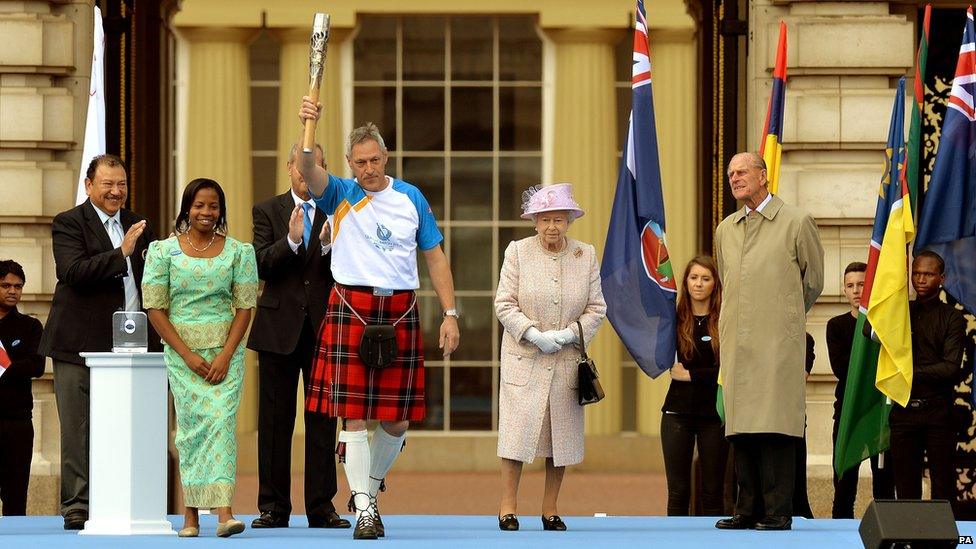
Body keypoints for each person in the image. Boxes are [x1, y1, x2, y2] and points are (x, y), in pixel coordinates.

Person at [297, 98, 461, 540]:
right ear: (349, 163)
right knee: (353, 414)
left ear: (385, 157)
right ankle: (365, 510)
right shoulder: (341, 195)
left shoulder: (411, 198)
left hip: (401, 309)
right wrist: (309, 125)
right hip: (352, 305)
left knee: (397, 419)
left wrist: (450, 313)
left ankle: (368, 489)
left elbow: (435, 257)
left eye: (374, 160)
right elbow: (308, 168)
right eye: (359, 162)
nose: (368, 168)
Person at [38, 154, 157, 530]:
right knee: (78, 428)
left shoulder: (138, 224)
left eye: (121, 184)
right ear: (89, 185)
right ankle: (77, 504)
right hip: (78, 343)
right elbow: (72, 272)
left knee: (124, 426)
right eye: (107, 184)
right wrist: (120, 254)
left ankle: (117, 499)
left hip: (130, 344)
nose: (115, 192)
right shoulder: (69, 222)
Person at [714, 152, 824, 531]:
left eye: (742, 171)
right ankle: (746, 509)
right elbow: (727, 281)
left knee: (776, 425)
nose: (734, 178)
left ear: (763, 175)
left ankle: (778, 511)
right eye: (730, 173)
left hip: (777, 341)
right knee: (742, 426)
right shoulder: (726, 228)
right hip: (737, 344)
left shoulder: (797, 221)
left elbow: (813, 283)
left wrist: (785, 316)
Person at [143, 178, 257, 538]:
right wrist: (188, 355)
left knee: (221, 425)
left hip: (226, 355)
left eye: (213, 206)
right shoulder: (163, 252)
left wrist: (226, 354)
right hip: (182, 356)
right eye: (199, 206)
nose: (207, 213)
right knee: (191, 433)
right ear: (187, 209)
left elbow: (244, 307)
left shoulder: (239, 252)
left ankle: (225, 513)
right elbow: (155, 308)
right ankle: (190, 517)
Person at [247, 143, 349, 530]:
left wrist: (325, 246)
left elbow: (348, 267)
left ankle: (321, 506)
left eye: (316, 167)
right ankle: (273, 507)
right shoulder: (266, 210)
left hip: (324, 329)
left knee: (323, 420)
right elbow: (260, 264)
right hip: (278, 332)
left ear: (323, 170)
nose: (307, 175)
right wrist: (290, 242)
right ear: (290, 168)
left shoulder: (337, 210)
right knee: (274, 422)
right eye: (301, 168)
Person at [494, 184, 606, 532]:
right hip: (524, 357)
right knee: (516, 436)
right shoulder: (517, 252)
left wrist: (571, 333)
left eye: (559, 219)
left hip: (565, 358)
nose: (552, 227)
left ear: (570, 220)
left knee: (560, 437)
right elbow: (503, 303)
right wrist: (533, 334)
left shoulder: (585, 254)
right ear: (535, 221)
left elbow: (597, 308)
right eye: (545, 220)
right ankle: (508, 507)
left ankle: (550, 509)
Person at [889, 250, 965, 505]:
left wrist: (908, 372)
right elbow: (869, 329)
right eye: (916, 273)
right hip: (903, 412)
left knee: (943, 486)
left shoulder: (952, 318)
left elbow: (950, 368)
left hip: (938, 413)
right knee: (905, 487)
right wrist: (890, 296)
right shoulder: (901, 311)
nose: (921, 279)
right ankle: (909, 540)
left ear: (941, 278)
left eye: (928, 274)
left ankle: (942, 543)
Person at [826, 261, 894, 518]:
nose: (856, 290)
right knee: (844, 486)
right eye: (850, 286)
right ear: (844, 290)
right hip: (848, 413)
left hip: (880, 414)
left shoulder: (885, 326)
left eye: (862, 285)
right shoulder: (836, 325)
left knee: (885, 486)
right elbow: (841, 369)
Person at [660, 255, 727, 517]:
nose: (698, 284)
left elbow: (730, 368)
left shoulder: (725, 321)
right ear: (686, 282)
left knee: (712, 492)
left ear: (715, 284)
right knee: (678, 492)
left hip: (714, 415)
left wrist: (693, 376)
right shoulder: (673, 321)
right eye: (693, 277)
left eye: (705, 279)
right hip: (677, 414)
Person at [0, 260, 44, 516]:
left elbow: (36, 366)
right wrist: (14, 365)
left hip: (18, 422)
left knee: (16, 498)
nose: (12, 291)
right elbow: (23, 365)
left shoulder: (30, 326)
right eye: (5, 285)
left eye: (18, 286)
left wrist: (5, 364)